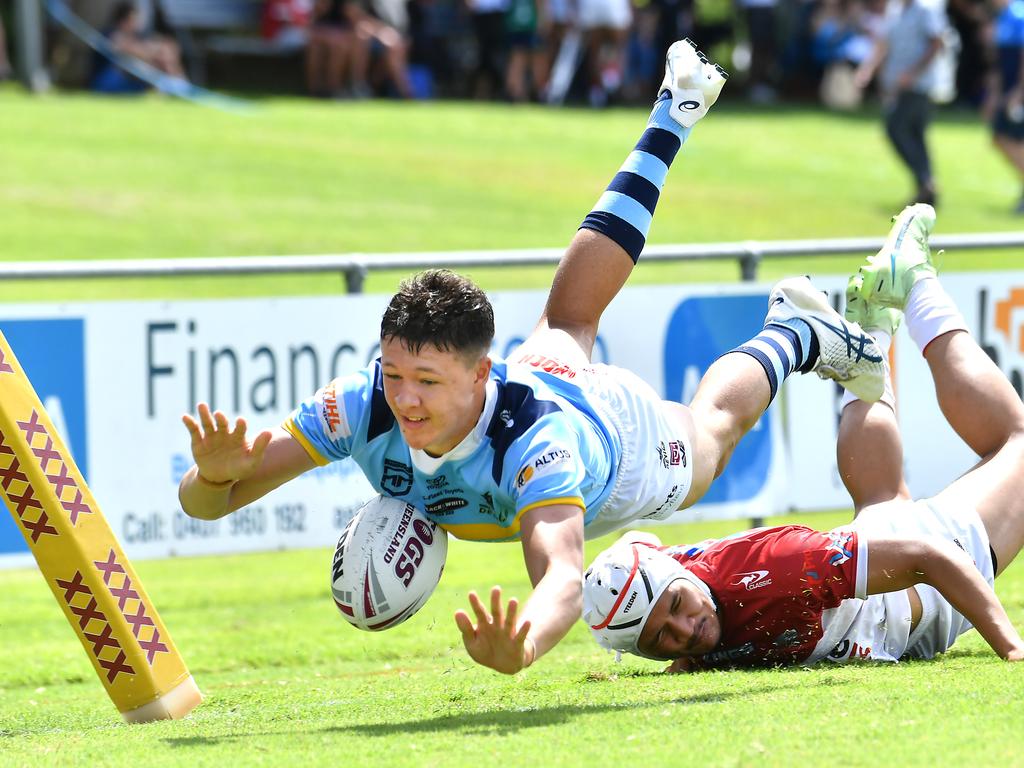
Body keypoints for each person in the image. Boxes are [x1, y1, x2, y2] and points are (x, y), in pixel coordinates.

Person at [179, 39, 887, 675]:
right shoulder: (358, 407)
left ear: (480, 374)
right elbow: (207, 504)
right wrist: (213, 476)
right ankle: (676, 110)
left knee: (711, 433)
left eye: (427, 381)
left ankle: (793, 333)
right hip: (546, 373)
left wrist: (524, 646)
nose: (405, 398)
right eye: (394, 374)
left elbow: (562, 577)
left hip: (618, 445)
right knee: (569, 317)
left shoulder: (535, 446)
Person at [583, 203, 1024, 669]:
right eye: (659, 642)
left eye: (675, 608)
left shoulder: (777, 566)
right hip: (871, 578)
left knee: (1016, 440)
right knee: (880, 500)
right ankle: (871, 332)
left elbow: (931, 555)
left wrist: (1013, 650)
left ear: (681, 576)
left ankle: (917, 283)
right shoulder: (668, 590)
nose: (685, 632)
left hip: (928, 580)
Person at [855, 0, 948, 206]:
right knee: (915, 135)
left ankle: (926, 181)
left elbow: (937, 43)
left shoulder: (926, 9)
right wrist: (869, 70)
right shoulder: (895, 9)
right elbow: (884, 43)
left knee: (896, 129)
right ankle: (926, 190)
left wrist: (913, 73)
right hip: (898, 84)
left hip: (920, 85)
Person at [91, 2, 187, 93]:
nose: (137, 23)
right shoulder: (111, 34)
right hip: (106, 82)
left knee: (162, 55)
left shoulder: (134, 36)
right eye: (133, 20)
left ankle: (178, 85)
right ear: (123, 21)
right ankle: (176, 86)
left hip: (126, 81)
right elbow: (130, 49)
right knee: (144, 63)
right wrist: (156, 51)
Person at [986, 0, 1024, 213]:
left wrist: (1018, 93)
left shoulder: (1019, 14)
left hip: (1018, 91)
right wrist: (994, 94)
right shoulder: (1003, 17)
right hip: (1009, 90)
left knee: (1006, 137)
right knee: (1001, 138)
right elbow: (999, 62)